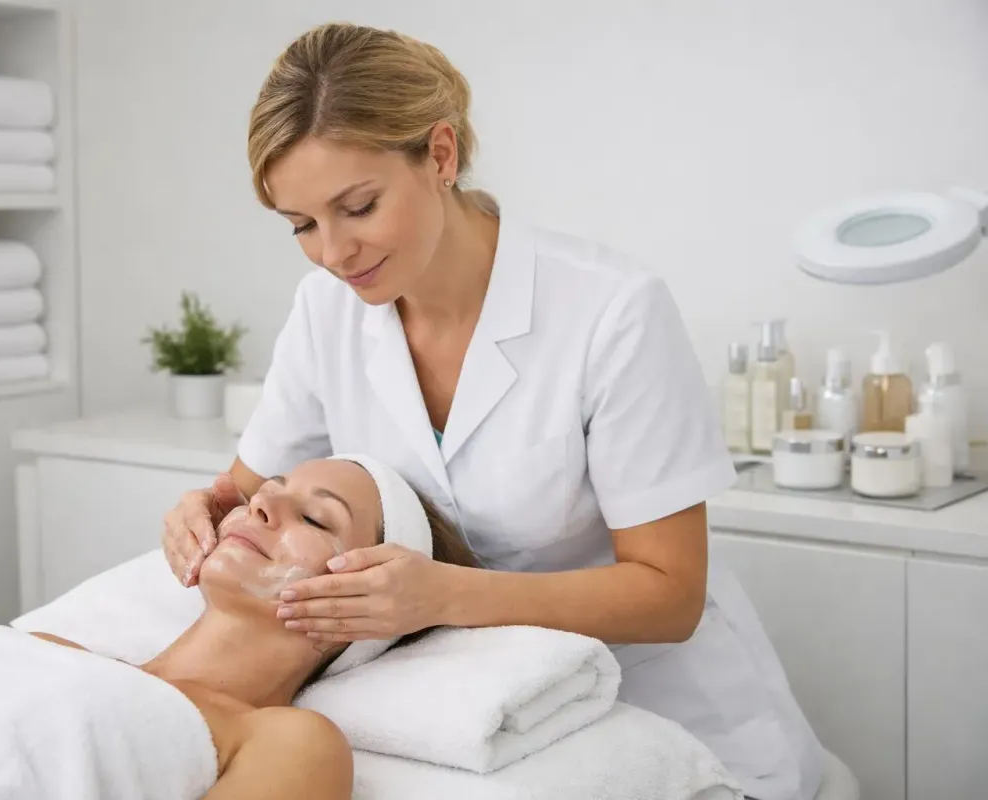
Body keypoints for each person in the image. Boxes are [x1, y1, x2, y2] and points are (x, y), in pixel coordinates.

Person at [164, 21, 824, 800]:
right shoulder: (327, 311)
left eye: (359, 206)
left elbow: (671, 594)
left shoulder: (610, 312)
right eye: (303, 226)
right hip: (464, 715)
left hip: (660, 717)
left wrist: (441, 594)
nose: (335, 253)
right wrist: (203, 511)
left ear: (440, 155)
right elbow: (248, 488)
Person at [0, 455, 479, 800]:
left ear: (368, 607)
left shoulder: (287, 740)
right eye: (271, 493)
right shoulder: (48, 648)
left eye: (316, 518)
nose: (260, 507)